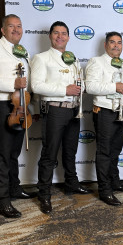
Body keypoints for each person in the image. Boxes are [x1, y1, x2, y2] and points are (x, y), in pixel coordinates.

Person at [0, 14, 37, 218]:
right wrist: (12, 83)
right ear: (3, 30)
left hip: (21, 106)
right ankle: (1, 200)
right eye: (11, 26)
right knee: (3, 153)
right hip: (3, 106)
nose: (16, 29)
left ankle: (14, 187)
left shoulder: (22, 52)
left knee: (13, 153)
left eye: (19, 26)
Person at [31, 21, 92, 214]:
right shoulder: (41, 58)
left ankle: (71, 184)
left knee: (70, 151)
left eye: (64, 33)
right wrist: (64, 90)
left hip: (74, 110)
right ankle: (44, 194)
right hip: (55, 110)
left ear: (68, 37)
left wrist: (79, 87)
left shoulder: (72, 59)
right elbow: (36, 86)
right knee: (49, 154)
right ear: (50, 36)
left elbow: (77, 84)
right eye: (56, 33)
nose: (60, 36)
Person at [85, 31, 123, 206]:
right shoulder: (96, 62)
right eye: (112, 42)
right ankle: (105, 190)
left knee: (115, 150)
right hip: (105, 111)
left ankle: (115, 181)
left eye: (119, 42)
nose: (116, 46)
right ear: (105, 45)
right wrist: (114, 86)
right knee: (104, 152)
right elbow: (89, 87)